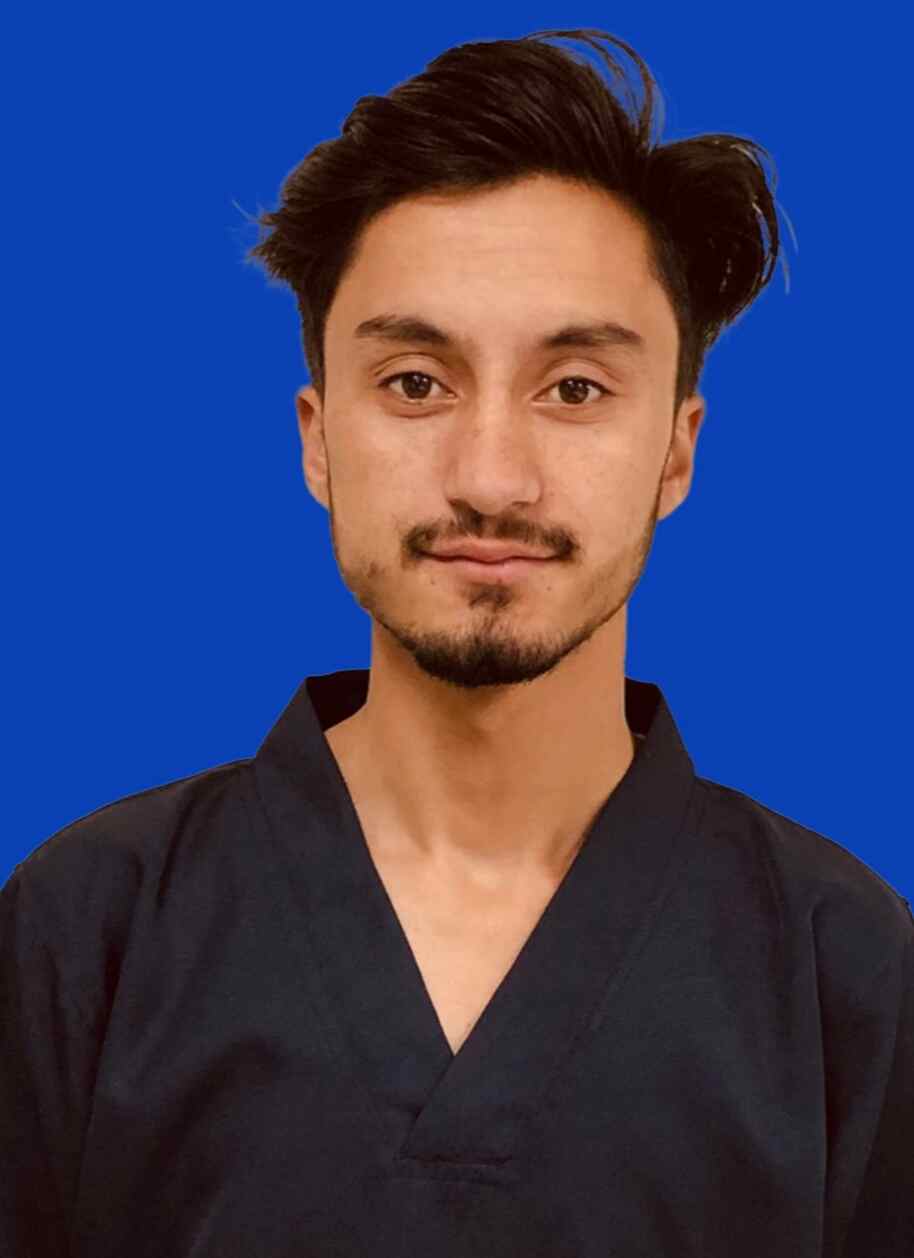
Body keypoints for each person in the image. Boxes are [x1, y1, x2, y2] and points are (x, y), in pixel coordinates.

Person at [3, 26, 911, 1258]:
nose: (490, 478)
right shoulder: (84, 932)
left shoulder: (843, 968)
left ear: (676, 449)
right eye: (415, 383)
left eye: (574, 388)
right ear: (317, 438)